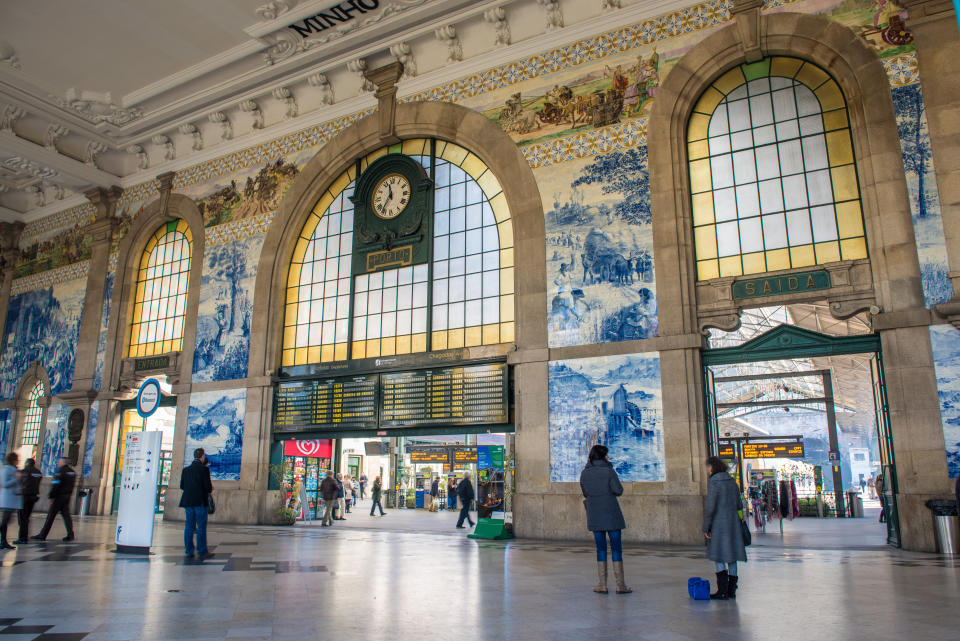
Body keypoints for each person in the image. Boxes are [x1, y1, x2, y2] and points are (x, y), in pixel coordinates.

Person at [580, 444, 630, 595]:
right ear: (602, 456)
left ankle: (602, 584)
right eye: (606, 454)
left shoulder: (585, 473)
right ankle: (620, 585)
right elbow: (618, 490)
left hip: (595, 515)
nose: (608, 457)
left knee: (600, 549)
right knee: (616, 549)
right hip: (611, 514)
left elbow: (585, 492)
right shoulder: (609, 471)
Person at [703, 456, 747, 600]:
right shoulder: (731, 481)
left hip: (719, 524)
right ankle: (731, 590)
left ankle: (722, 591)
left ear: (713, 467)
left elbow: (710, 507)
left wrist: (706, 527)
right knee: (732, 557)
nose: (707, 470)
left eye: (708, 467)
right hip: (733, 523)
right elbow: (739, 504)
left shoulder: (714, 482)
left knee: (719, 556)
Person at [179, 449, 214, 559]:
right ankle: (202, 551)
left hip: (188, 502)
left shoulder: (186, 470)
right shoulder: (204, 470)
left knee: (189, 526)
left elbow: (182, 486)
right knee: (201, 527)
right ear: (202, 456)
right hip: (200, 502)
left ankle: (189, 551)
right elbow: (208, 487)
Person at [32, 457, 77, 542]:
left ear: (63, 462)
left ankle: (43, 534)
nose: (57, 463)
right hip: (67, 496)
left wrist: (51, 496)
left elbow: (55, 484)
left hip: (58, 497)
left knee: (51, 516)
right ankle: (70, 534)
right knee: (67, 516)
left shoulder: (60, 472)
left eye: (59, 461)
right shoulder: (72, 472)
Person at [15, 457, 41, 544]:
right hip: (33, 496)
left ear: (27, 463)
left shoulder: (25, 471)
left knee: (22, 518)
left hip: (24, 496)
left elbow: (19, 482)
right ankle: (24, 536)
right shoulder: (38, 472)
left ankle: (22, 538)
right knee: (26, 517)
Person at [1, 452, 21, 550]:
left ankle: (3, 541)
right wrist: (16, 479)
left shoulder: (13, 469)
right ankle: (3, 541)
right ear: (13, 460)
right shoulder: (6, 470)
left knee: (7, 521)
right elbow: (5, 484)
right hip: (7, 499)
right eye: (17, 459)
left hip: (12, 499)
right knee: (5, 521)